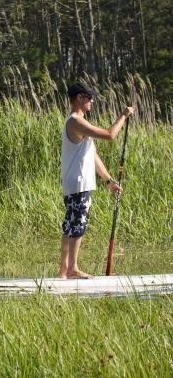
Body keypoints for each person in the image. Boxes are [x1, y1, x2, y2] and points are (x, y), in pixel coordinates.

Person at [59, 82, 134, 279]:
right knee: (77, 224)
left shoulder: (81, 124)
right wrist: (124, 115)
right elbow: (110, 135)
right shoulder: (75, 121)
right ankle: (73, 269)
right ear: (78, 98)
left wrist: (108, 180)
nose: (92, 101)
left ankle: (64, 270)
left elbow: (92, 156)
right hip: (79, 183)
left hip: (75, 183)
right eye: (88, 97)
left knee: (69, 225)